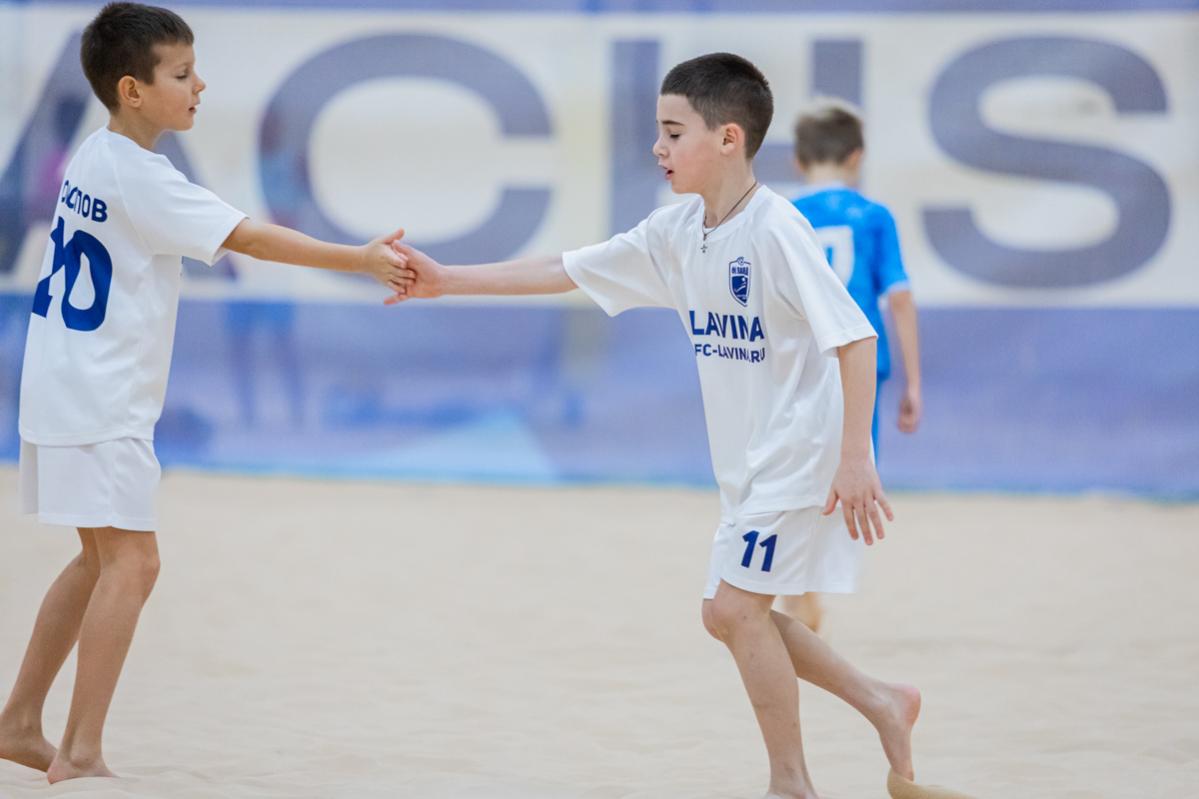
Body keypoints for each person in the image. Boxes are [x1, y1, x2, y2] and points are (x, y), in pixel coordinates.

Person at [389, 52, 921, 799]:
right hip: (747, 458)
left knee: (736, 610)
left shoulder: (777, 229)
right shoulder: (676, 231)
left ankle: (791, 784)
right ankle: (882, 701)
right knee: (724, 616)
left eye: (673, 132)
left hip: (799, 451)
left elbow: (857, 337)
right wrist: (446, 280)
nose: (657, 147)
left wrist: (855, 455)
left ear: (729, 138)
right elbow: (566, 269)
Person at [0, 3, 411, 783]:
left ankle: (19, 722)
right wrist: (358, 259)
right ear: (132, 90)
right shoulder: (144, 177)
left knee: (98, 559)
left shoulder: (95, 152)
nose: (200, 86)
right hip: (99, 397)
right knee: (134, 562)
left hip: (60, 382)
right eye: (182, 74)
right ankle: (80, 752)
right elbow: (248, 237)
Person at [782, 98, 924, 634]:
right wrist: (913, 381)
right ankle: (815, 581)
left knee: (792, 466)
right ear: (857, 157)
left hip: (798, 363)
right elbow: (900, 298)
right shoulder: (873, 216)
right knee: (850, 469)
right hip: (861, 364)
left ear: (798, 160)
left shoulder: (782, 214)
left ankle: (795, 582)